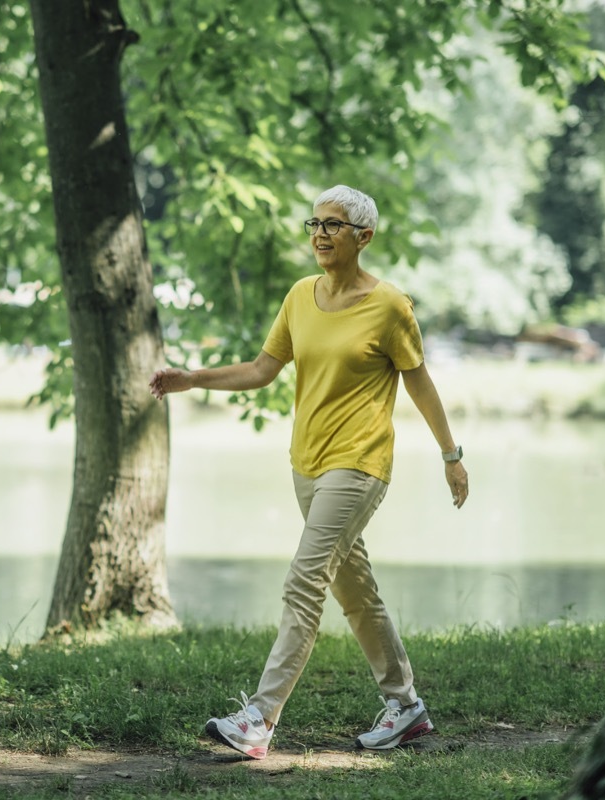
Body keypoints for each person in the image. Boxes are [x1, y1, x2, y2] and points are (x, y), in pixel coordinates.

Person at [148, 185, 469, 757]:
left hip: (360, 464)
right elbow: (260, 369)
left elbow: (419, 382)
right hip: (308, 465)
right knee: (355, 589)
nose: (320, 233)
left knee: (305, 581)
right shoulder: (300, 296)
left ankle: (258, 720)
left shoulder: (391, 306)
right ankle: (407, 707)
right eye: (314, 223)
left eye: (334, 225)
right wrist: (192, 378)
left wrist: (451, 456)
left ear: (363, 237)